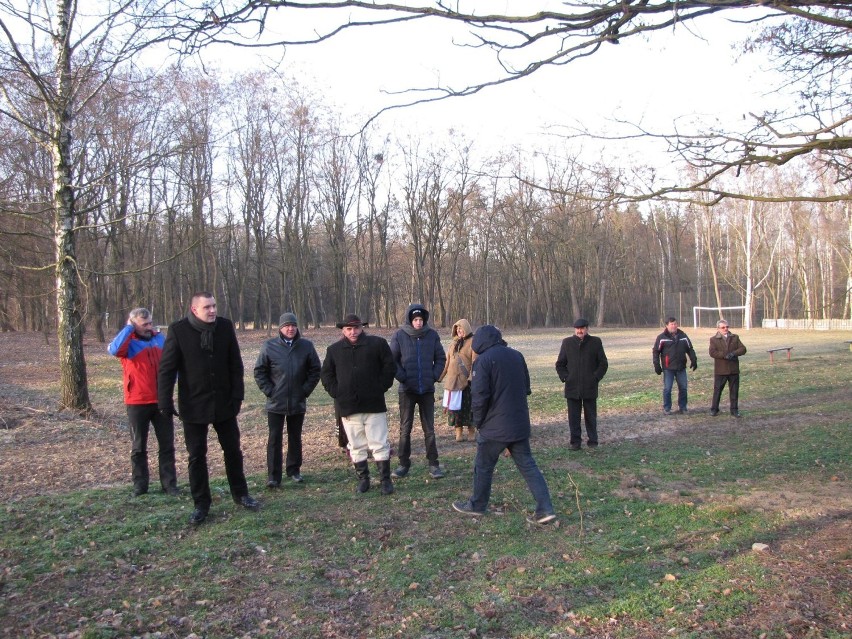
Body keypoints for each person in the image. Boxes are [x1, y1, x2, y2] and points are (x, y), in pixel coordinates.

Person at [158, 292, 259, 525]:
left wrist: (237, 396)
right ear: (195, 310)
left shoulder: (224, 327)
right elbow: (166, 369)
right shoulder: (178, 330)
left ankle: (241, 494)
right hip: (193, 405)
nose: (212, 311)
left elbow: (235, 363)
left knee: (233, 451)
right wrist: (164, 401)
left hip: (224, 403)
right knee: (196, 457)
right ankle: (201, 504)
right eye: (207, 307)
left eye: (214, 306)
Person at [452, 325, 557, 525]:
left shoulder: (483, 361)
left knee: (483, 466)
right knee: (528, 466)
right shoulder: (517, 356)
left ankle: (477, 505)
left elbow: (480, 397)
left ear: (480, 342)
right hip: (519, 424)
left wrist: (479, 422)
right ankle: (545, 509)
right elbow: (526, 388)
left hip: (494, 427)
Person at [320, 314, 397, 495]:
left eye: (356, 328)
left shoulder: (377, 344)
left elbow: (389, 367)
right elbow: (326, 375)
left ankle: (385, 480)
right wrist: (337, 393)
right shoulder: (334, 350)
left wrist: (380, 387)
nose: (353, 332)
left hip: (374, 403)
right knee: (356, 445)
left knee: (379, 443)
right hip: (349, 406)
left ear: (362, 328)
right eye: (348, 329)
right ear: (343, 330)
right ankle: (364, 479)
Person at [108, 308, 178, 497]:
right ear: (133, 325)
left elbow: (172, 363)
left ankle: (169, 485)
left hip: (162, 400)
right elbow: (113, 350)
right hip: (137, 401)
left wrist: (173, 382)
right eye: (144, 324)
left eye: (150, 323)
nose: (149, 327)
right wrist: (129, 329)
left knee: (167, 445)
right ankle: (140, 486)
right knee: (138, 447)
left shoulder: (159, 339)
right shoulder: (128, 343)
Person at [253, 312, 321, 487]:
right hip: (276, 402)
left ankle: (294, 470)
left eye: (293, 325)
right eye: (286, 326)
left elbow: (315, 370)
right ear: (280, 328)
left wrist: (304, 391)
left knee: (295, 437)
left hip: (297, 401)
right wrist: (270, 391)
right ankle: (273, 476)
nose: (290, 329)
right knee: (274, 439)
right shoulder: (269, 346)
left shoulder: (306, 346)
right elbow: (260, 371)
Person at [389, 303, 447, 479]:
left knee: (429, 429)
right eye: (415, 319)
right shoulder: (399, 336)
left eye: (421, 319)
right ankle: (403, 464)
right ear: (410, 320)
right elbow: (392, 361)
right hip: (407, 390)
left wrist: (434, 376)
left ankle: (433, 464)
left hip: (427, 390)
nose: (418, 322)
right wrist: (403, 377)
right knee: (405, 429)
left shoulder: (432, 336)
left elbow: (441, 358)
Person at [555, 318, 608, 450]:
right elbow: (560, 364)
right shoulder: (567, 343)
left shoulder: (595, 342)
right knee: (573, 418)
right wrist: (566, 377)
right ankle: (575, 442)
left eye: (582, 328)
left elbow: (603, 363)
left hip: (589, 386)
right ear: (574, 329)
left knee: (590, 416)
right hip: (572, 387)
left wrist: (595, 377)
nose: (580, 331)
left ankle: (593, 441)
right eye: (577, 328)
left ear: (587, 329)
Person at [438, 318, 477, 442]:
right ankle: (458, 431)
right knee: (455, 410)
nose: (459, 331)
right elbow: (447, 363)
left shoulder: (473, 343)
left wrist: (471, 379)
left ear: (466, 328)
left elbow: (475, 362)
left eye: (461, 328)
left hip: (466, 382)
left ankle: (471, 430)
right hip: (452, 382)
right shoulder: (453, 344)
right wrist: (440, 377)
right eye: (457, 329)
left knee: (469, 408)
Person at [652, 317, 698, 415]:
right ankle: (667, 408)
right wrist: (657, 365)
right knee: (667, 389)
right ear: (667, 325)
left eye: (675, 324)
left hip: (681, 367)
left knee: (683, 388)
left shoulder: (683, 336)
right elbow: (656, 351)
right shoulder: (661, 337)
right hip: (668, 368)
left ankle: (683, 407)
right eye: (671, 324)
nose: (674, 326)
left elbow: (690, 349)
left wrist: (694, 360)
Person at [708, 319, 747, 417]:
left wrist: (734, 353)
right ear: (718, 329)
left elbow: (743, 349)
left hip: (733, 369)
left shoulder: (735, 337)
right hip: (721, 370)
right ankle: (714, 409)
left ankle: (734, 410)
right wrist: (725, 355)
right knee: (717, 391)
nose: (725, 329)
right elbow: (712, 352)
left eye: (727, 327)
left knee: (734, 391)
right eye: (723, 327)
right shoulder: (713, 339)